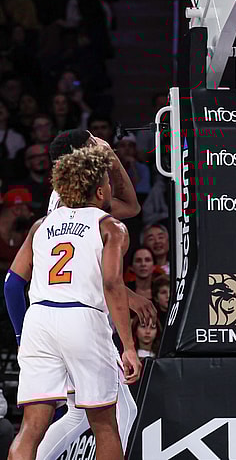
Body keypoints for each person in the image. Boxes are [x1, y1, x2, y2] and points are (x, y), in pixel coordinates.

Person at [4, 146, 142, 460]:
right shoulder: (110, 226)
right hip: (82, 318)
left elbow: (12, 282)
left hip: (39, 320)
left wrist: (21, 336)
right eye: (107, 182)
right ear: (100, 190)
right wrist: (129, 346)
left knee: (31, 427)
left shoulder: (41, 225)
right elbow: (112, 284)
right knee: (105, 424)